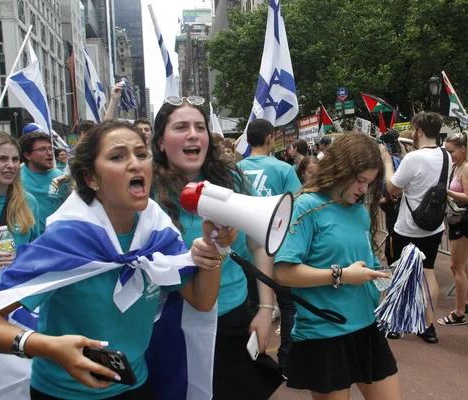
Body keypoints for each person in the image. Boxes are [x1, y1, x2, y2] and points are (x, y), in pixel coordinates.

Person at [0, 121, 230, 399]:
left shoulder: (158, 235)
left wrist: (214, 247)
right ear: (92, 178)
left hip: (136, 384)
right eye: (117, 156)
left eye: (141, 154)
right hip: (63, 392)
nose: (136, 164)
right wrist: (46, 346)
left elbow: (202, 299)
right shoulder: (65, 240)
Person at [150, 100, 283, 399]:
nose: (193, 135)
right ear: (160, 141)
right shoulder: (147, 191)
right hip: (174, 323)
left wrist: (264, 309)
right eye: (181, 127)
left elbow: (257, 243)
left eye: (200, 127)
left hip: (232, 315)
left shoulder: (230, 179)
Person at [274, 133, 400, 400]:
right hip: (325, 334)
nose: (364, 189)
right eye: (360, 180)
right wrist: (341, 275)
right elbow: (283, 273)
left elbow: (367, 264)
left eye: (369, 182)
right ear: (339, 169)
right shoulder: (305, 206)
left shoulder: (359, 212)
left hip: (366, 326)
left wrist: (390, 279)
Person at [237, 118, 301, 370]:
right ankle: (286, 362)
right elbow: (296, 207)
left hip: (244, 250)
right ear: (270, 138)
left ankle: (253, 360)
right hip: (277, 249)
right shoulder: (284, 170)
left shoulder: (236, 169)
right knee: (287, 305)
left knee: (252, 305)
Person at [383, 112, 451, 344]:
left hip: (408, 226)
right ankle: (428, 326)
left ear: (419, 131)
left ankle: (395, 324)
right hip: (433, 226)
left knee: (401, 273)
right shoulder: (446, 156)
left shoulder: (413, 159)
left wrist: (386, 163)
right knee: (428, 272)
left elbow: (393, 188)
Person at [437, 131, 468, 327]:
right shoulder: (457, 166)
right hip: (457, 219)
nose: (449, 155)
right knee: (462, 266)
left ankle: (459, 312)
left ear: (463, 149)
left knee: (457, 266)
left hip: (463, 220)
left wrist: (446, 192)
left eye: (451, 151)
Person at [0, 132, 39, 285]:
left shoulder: (29, 202)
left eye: (15, 159)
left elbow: (35, 251)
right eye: (2, 159)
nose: (11, 165)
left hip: (16, 296)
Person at [18, 132, 70, 233]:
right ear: (27, 155)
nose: (50, 153)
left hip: (57, 241)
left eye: (50, 148)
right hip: (30, 243)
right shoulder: (15, 180)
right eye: (42, 149)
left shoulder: (62, 178)